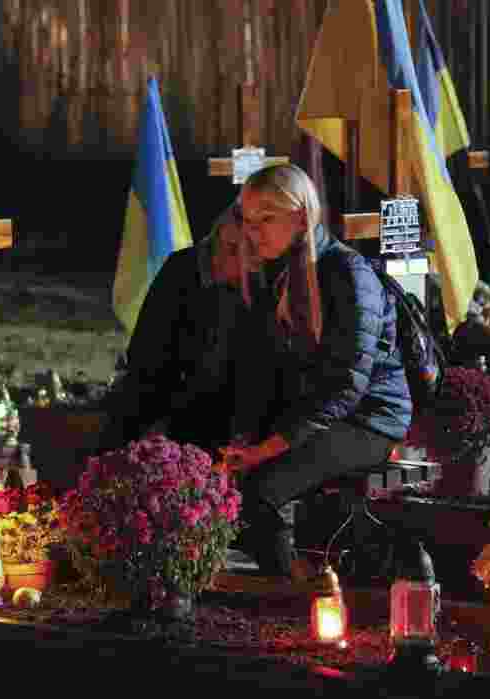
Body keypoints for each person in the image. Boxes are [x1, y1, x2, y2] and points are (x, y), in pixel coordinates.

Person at [100, 164, 413, 579]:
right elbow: (262, 370)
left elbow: (344, 388)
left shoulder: (347, 274)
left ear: (300, 217)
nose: (253, 232)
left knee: (259, 492)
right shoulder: (277, 273)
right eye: (247, 221)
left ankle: (283, 599)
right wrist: (243, 439)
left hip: (369, 417)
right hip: (314, 413)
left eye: (266, 219)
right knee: (224, 476)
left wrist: (264, 450)